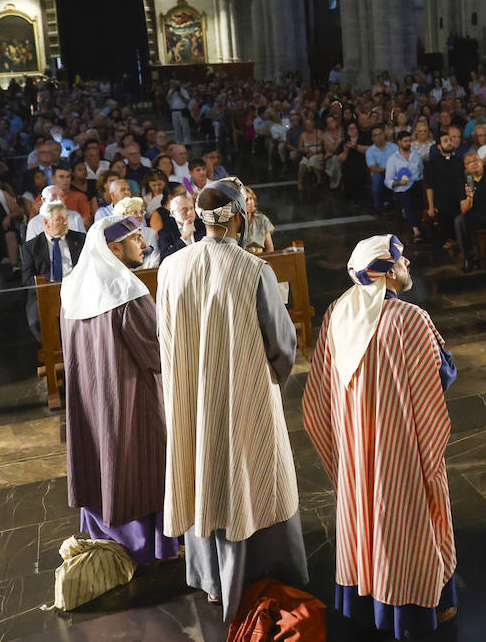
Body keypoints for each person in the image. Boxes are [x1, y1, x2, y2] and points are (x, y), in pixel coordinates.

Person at [156, 178, 306, 618]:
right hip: (243, 391)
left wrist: (185, 380)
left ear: (200, 220)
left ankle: (211, 579)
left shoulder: (171, 268)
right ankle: (260, 573)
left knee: (203, 470)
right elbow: (280, 344)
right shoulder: (253, 270)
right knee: (249, 470)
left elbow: (165, 337)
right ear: (240, 217)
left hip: (192, 393)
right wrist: (273, 376)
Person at [302, 235, 458, 639]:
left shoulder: (337, 311)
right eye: (402, 262)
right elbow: (440, 376)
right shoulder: (409, 318)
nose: (408, 267)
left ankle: (365, 600)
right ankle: (413, 610)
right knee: (405, 521)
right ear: (388, 272)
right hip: (399, 445)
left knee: (364, 516)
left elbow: (320, 389)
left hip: (355, 445)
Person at [60, 214, 180, 567]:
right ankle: (147, 545)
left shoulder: (73, 287)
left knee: (99, 459)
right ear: (113, 248)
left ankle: (105, 536)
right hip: (129, 398)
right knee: (137, 461)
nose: (144, 243)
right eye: (135, 239)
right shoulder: (124, 289)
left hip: (89, 397)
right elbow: (155, 350)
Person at [20, 201, 85, 341]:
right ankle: (55, 352)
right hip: (45, 292)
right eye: (59, 219)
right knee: (35, 320)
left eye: (66, 218)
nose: (66, 222)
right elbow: (27, 279)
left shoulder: (80, 240)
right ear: (46, 222)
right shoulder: (31, 247)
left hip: (77, 290)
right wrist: (50, 288)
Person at [424, 127, 465, 246]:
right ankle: (450, 240)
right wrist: (431, 206)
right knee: (445, 213)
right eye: (445, 141)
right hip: (442, 201)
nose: (449, 143)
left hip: (459, 199)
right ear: (439, 146)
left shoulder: (459, 160)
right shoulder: (432, 162)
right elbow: (429, 186)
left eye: (450, 140)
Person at [385, 129, 425, 244]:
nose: (408, 143)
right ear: (399, 142)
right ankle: (416, 231)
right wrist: (398, 182)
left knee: (419, 198)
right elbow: (388, 181)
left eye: (409, 141)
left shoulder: (416, 156)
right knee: (407, 201)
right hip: (401, 189)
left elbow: (421, 173)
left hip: (416, 186)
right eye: (405, 141)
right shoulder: (393, 159)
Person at [241, 187, 275, 254]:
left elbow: (270, 249)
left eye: (251, 198)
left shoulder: (262, 220)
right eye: (246, 200)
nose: (249, 202)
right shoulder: (234, 222)